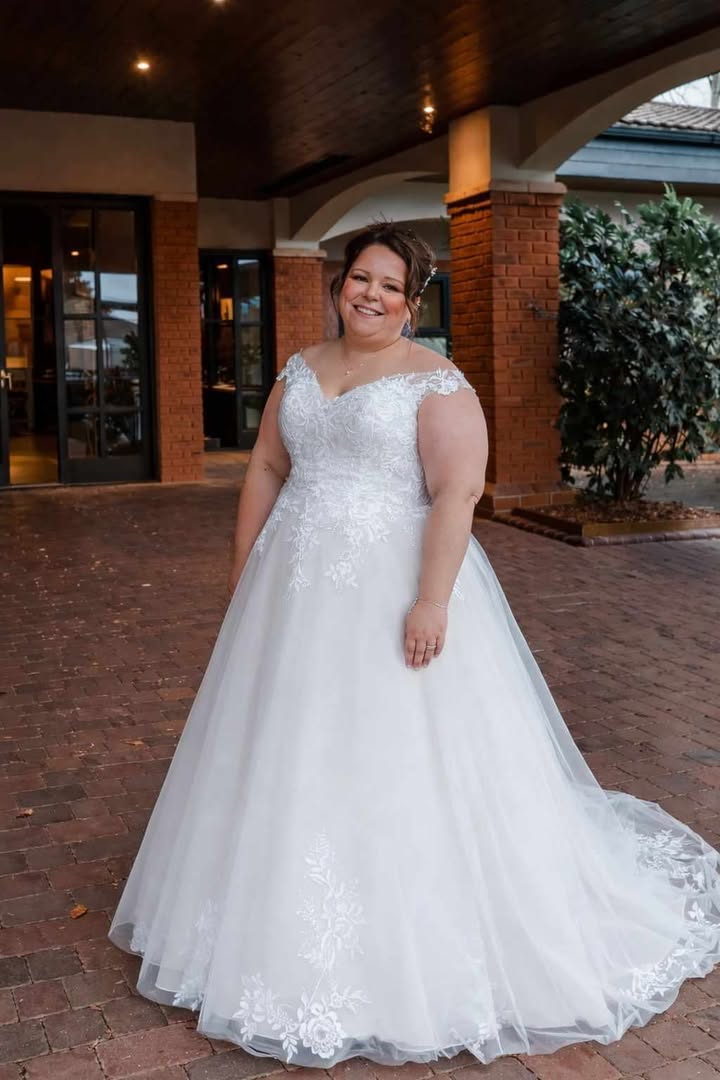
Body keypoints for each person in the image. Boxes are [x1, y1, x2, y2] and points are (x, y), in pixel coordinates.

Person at [109, 222, 720, 1070]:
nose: (370, 294)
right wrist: (246, 568)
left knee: (397, 746)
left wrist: (431, 600)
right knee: (289, 743)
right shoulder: (301, 369)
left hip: (395, 586)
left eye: (390, 285)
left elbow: (455, 493)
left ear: (413, 299)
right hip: (292, 594)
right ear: (339, 283)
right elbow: (266, 469)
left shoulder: (435, 382)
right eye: (360, 278)